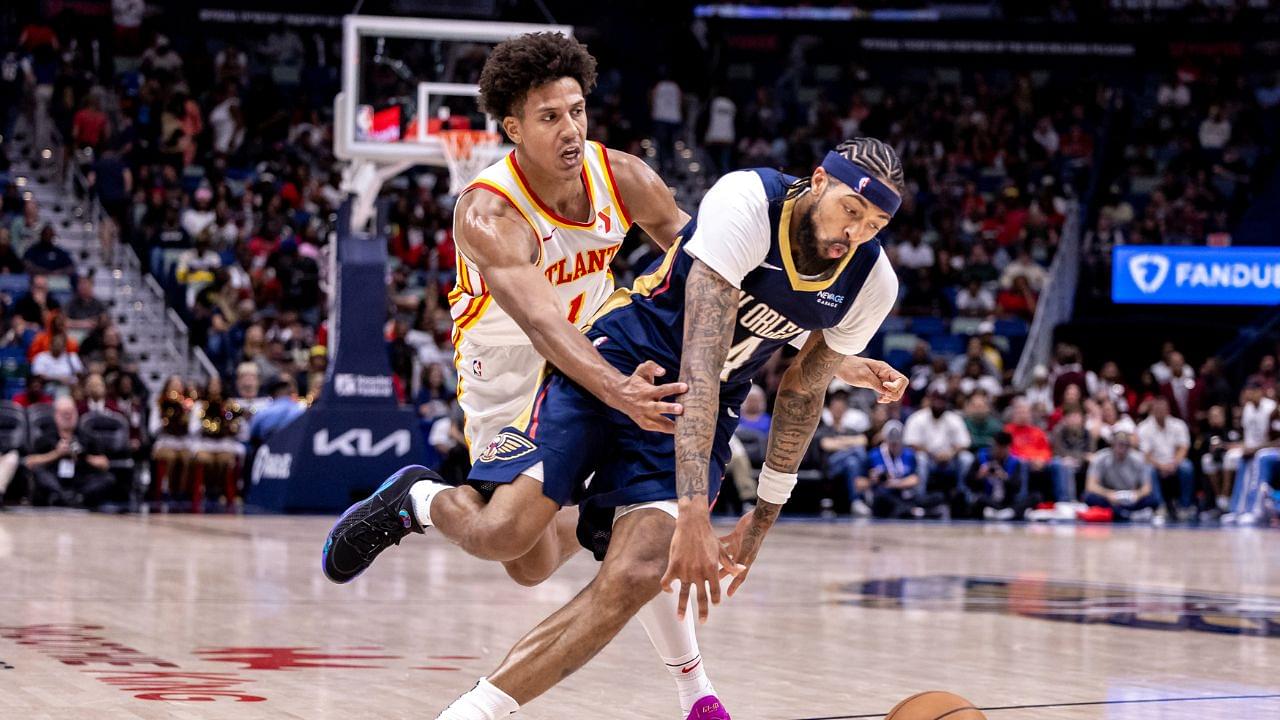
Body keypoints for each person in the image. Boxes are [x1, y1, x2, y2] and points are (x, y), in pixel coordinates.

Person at [324, 36, 903, 720]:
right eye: (549, 117)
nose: (570, 129)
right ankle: (417, 498)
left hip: (615, 346)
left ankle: (690, 685)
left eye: (577, 111)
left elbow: (713, 268)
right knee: (517, 552)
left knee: (640, 544)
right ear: (513, 128)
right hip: (511, 366)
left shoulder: (623, 176)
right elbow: (544, 327)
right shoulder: (488, 212)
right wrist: (615, 388)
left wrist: (833, 354)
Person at [23, 397, 113, 508]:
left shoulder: (87, 437)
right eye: (64, 413)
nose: (68, 416)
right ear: (56, 415)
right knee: (39, 473)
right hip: (55, 480)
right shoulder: (45, 437)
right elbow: (29, 462)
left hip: (80, 481)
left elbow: (104, 464)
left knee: (107, 478)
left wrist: (83, 457)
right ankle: (61, 496)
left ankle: (76, 498)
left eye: (71, 413)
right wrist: (56, 453)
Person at [1136, 396, 1194, 520]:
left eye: (1163, 409)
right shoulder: (1144, 428)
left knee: (1187, 467)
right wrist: (1161, 466)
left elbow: (1183, 448)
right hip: (1155, 464)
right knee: (1148, 470)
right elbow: (1145, 455)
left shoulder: (1178, 424)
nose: (1161, 412)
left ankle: (1184, 506)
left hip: (1175, 462)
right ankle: (1160, 506)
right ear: (1152, 410)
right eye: (1157, 409)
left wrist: (1174, 463)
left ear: (1168, 410)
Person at [1083, 431, 1160, 522]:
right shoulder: (1100, 458)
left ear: (1129, 446)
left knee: (1154, 500)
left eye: (1124, 445)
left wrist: (1137, 495)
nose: (1121, 448)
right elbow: (1091, 486)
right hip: (1109, 496)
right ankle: (1130, 515)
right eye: (1119, 444)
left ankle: (1119, 514)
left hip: (1132, 496)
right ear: (1112, 445)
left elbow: (1147, 488)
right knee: (1089, 497)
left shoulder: (1138, 459)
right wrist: (1108, 494)